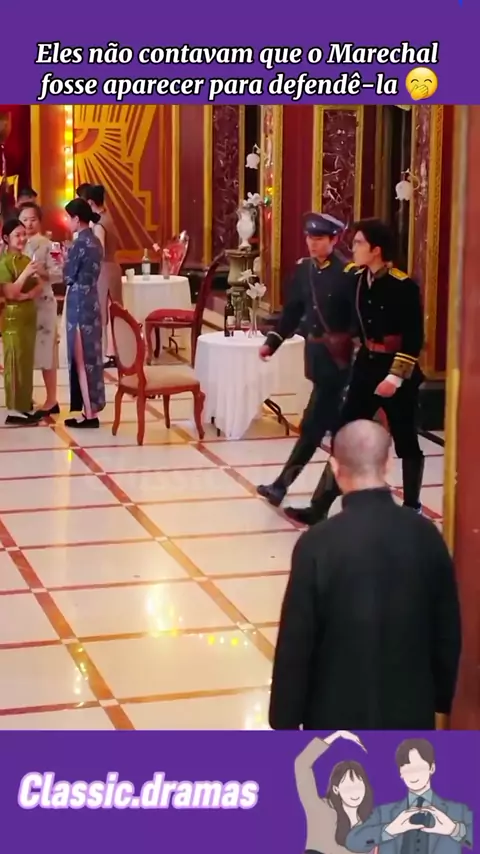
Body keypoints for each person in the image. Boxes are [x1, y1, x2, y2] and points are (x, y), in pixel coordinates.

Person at [269, 420, 461, 731]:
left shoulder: (317, 544)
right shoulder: (425, 535)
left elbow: (297, 641)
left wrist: (285, 718)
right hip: (410, 710)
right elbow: (446, 627)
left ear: (334, 467)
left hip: (333, 713)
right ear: (388, 463)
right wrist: (442, 695)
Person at [286, 218, 425, 526]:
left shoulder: (403, 286)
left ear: (376, 250)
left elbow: (415, 338)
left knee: (406, 440)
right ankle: (319, 507)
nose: (354, 248)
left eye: (360, 243)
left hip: (396, 372)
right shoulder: (358, 279)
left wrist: (395, 377)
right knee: (344, 436)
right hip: (365, 367)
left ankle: (412, 506)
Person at [256, 212, 355, 507]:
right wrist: (272, 342)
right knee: (341, 435)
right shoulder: (303, 271)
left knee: (313, 428)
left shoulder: (348, 274)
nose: (312, 243)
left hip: (339, 365)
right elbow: (292, 312)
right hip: (316, 360)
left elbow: (358, 320)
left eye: (319, 238)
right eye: (310, 237)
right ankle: (355, 493)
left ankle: (282, 487)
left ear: (334, 240)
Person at [346, 738, 472, 853]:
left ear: (432, 768)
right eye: (407, 769)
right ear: (400, 773)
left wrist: (454, 830)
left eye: (419, 768)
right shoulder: (383, 813)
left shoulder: (457, 811)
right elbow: (352, 841)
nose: (413, 775)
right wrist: (390, 830)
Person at [295, 730, 375, 854]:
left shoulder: (369, 823)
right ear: (336, 789)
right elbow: (302, 764)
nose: (355, 793)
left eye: (359, 786)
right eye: (348, 787)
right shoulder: (320, 810)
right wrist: (337, 735)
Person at [63, 197, 105, 428]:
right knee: (92, 357)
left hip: (79, 304)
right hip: (92, 301)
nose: (68, 222)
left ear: (76, 219)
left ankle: (89, 414)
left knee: (81, 359)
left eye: (69, 218)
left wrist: (65, 259)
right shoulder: (96, 241)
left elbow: (68, 276)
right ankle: (91, 409)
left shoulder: (79, 244)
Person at [18, 202, 61, 416]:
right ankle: (25, 396)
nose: (28, 224)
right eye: (24, 220)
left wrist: (42, 272)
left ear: (40, 221)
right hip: (23, 304)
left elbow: (59, 274)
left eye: (32, 219)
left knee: (46, 353)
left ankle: (52, 399)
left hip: (43, 304)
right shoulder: (16, 244)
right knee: (23, 353)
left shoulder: (50, 245)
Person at [0, 218, 44, 424]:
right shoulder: (4, 263)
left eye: (24, 234)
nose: (22, 238)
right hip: (12, 318)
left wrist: (27, 296)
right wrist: (25, 275)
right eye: (17, 235)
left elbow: (39, 286)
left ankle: (25, 404)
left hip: (28, 316)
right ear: (6, 238)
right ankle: (14, 409)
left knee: (26, 362)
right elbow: (11, 292)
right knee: (14, 362)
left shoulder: (26, 259)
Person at [84, 184, 122, 368]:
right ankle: (115, 352)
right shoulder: (109, 218)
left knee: (103, 313)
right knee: (114, 310)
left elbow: (99, 251)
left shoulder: (100, 224)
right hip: (114, 267)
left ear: (91, 202)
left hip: (104, 269)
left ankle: (107, 354)